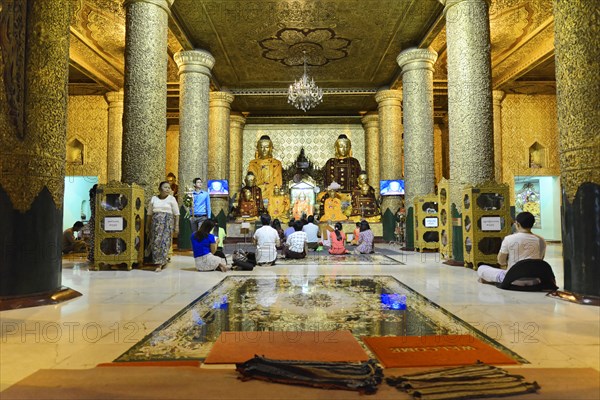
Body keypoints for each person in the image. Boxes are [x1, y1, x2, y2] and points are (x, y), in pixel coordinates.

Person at [477, 212, 546, 284]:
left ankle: (492, 280)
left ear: (517, 224)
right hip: (535, 280)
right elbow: (540, 259)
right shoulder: (541, 240)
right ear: (532, 224)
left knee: (482, 268)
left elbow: (501, 261)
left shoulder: (509, 239)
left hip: (512, 279)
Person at [147, 181, 180, 270]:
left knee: (165, 242)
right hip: (155, 224)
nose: (167, 189)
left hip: (167, 223)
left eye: (169, 188)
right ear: (160, 189)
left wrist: (176, 226)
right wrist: (147, 226)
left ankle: (160, 263)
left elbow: (177, 213)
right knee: (156, 242)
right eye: (165, 187)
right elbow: (149, 214)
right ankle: (157, 260)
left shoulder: (171, 199)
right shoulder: (154, 198)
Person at [247, 135, 283, 203]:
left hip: (271, 195)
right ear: (258, 148)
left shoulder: (277, 163)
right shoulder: (253, 163)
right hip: (256, 194)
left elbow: (277, 182)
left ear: (271, 148)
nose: (264, 150)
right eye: (261, 147)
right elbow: (251, 181)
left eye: (266, 147)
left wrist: (264, 188)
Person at [87, 184, 98, 262]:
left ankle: (93, 256)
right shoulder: (94, 199)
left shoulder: (93, 199)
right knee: (94, 239)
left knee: (94, 239)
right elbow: (95, 213)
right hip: (94, 221)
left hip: (94, 221)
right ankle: (92, 256)